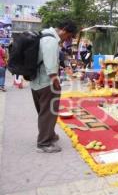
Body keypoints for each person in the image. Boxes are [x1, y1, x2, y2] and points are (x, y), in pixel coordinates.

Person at [30, 20, 78, 153]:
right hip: (47, 83)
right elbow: (50, 61)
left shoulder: (43, 34)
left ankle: (49, 135)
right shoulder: (51, 41)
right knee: (48, 112)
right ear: (64, 30)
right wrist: (53, 77)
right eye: (69, 36)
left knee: (44, 112)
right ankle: (44, 144)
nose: (68, 40)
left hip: (36, 82)